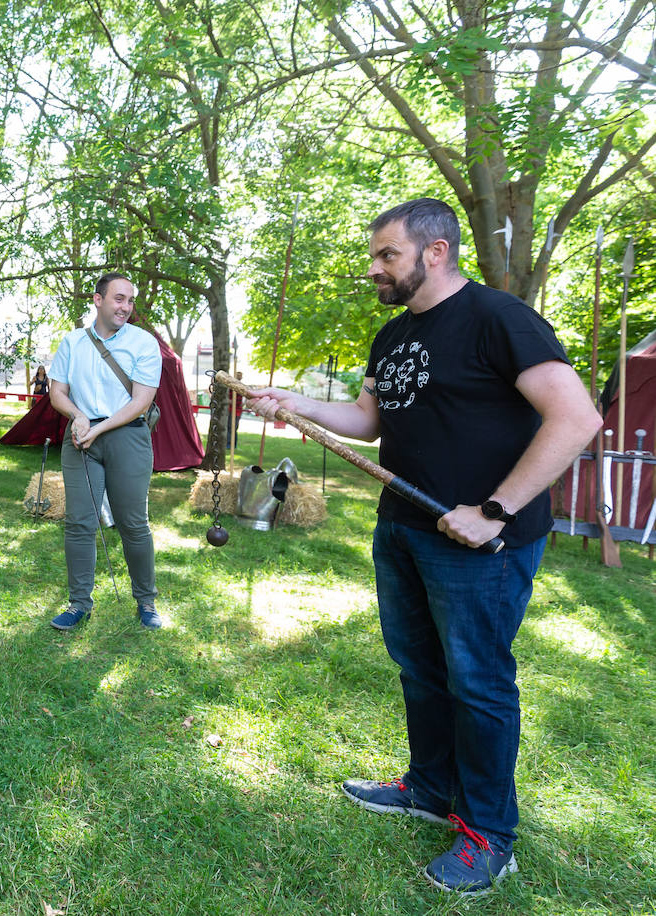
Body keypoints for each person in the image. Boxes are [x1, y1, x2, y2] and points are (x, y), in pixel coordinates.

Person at [248, 198, 600, 895]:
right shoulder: (391, 336)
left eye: (388, 255)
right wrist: (296, 403)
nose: (376, 268)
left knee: (478, 681)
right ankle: (430, 788)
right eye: (376, 256)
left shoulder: (498, 319)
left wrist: (496, 510)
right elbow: (369, 420)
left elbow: (577, 415)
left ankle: (490, 833)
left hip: (480, 543)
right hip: (405, 526)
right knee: (420, 668)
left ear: (435, 252)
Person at [46, 272, 163, 631]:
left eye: (130, 301)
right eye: (119, 299)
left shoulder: (144, 344)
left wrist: (97, 428)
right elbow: (57, 393)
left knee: (133, 524)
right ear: (98, 300)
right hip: (81, 439)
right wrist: (78, 416)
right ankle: (79, 603)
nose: (126, 307)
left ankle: (146, 601)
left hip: (126, 437)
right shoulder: (72, 343)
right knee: (80, 523)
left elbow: (142, 402)